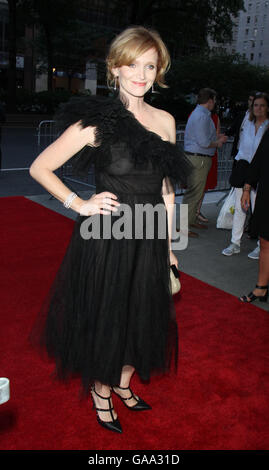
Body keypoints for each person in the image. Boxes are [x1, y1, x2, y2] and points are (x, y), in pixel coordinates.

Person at [29, 26, 190, 434]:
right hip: (108, 235)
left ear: (159, 70)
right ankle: (102, 390)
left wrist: (172, 245)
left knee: (144, 315)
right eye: (132, 64)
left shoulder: (167, 120)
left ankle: (122, 383)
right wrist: (79, 204)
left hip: (151, 234)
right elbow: (40, 167)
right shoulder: (97, 120)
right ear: (115, 68)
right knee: (111, 315)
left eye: (150, 65)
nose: (141, 73)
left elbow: (168, 192)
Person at [222, 93, 269, 257]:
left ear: (267, 107)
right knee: (240, 206)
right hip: (243, 167)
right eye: (256, 105)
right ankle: (235, 242)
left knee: (259, 209)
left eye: (262, 105)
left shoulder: (268, 126)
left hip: (261, 171)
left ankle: (259, 245)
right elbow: (241, 145)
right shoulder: (246, 123)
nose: (258, 108)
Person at [183, 88, 227, 238]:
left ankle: (190, 220)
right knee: (194, 193)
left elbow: (203, 138)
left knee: (195, 192)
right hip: (199, 158)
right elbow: (204, 142)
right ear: (210, 101)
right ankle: (184, 226)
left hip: (198, 157)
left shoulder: (200, 115)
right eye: (214, 100)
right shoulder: (202, 116)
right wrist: (218, 143)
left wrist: (216, 139)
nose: (215, 103)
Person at [240, 127, 269, 303]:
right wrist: (247, 188)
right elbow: (258, 161)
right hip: (267, 195)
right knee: (265, 242)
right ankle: (261, 288)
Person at [196, 109, 221, 224]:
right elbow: (207, 140)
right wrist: (218, 141)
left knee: (201, 186)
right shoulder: (204, 116)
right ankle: (193, 214)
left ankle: (195, 212)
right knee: (199, 187)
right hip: (203, 155)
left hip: (205, 154)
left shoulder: (211, 117)